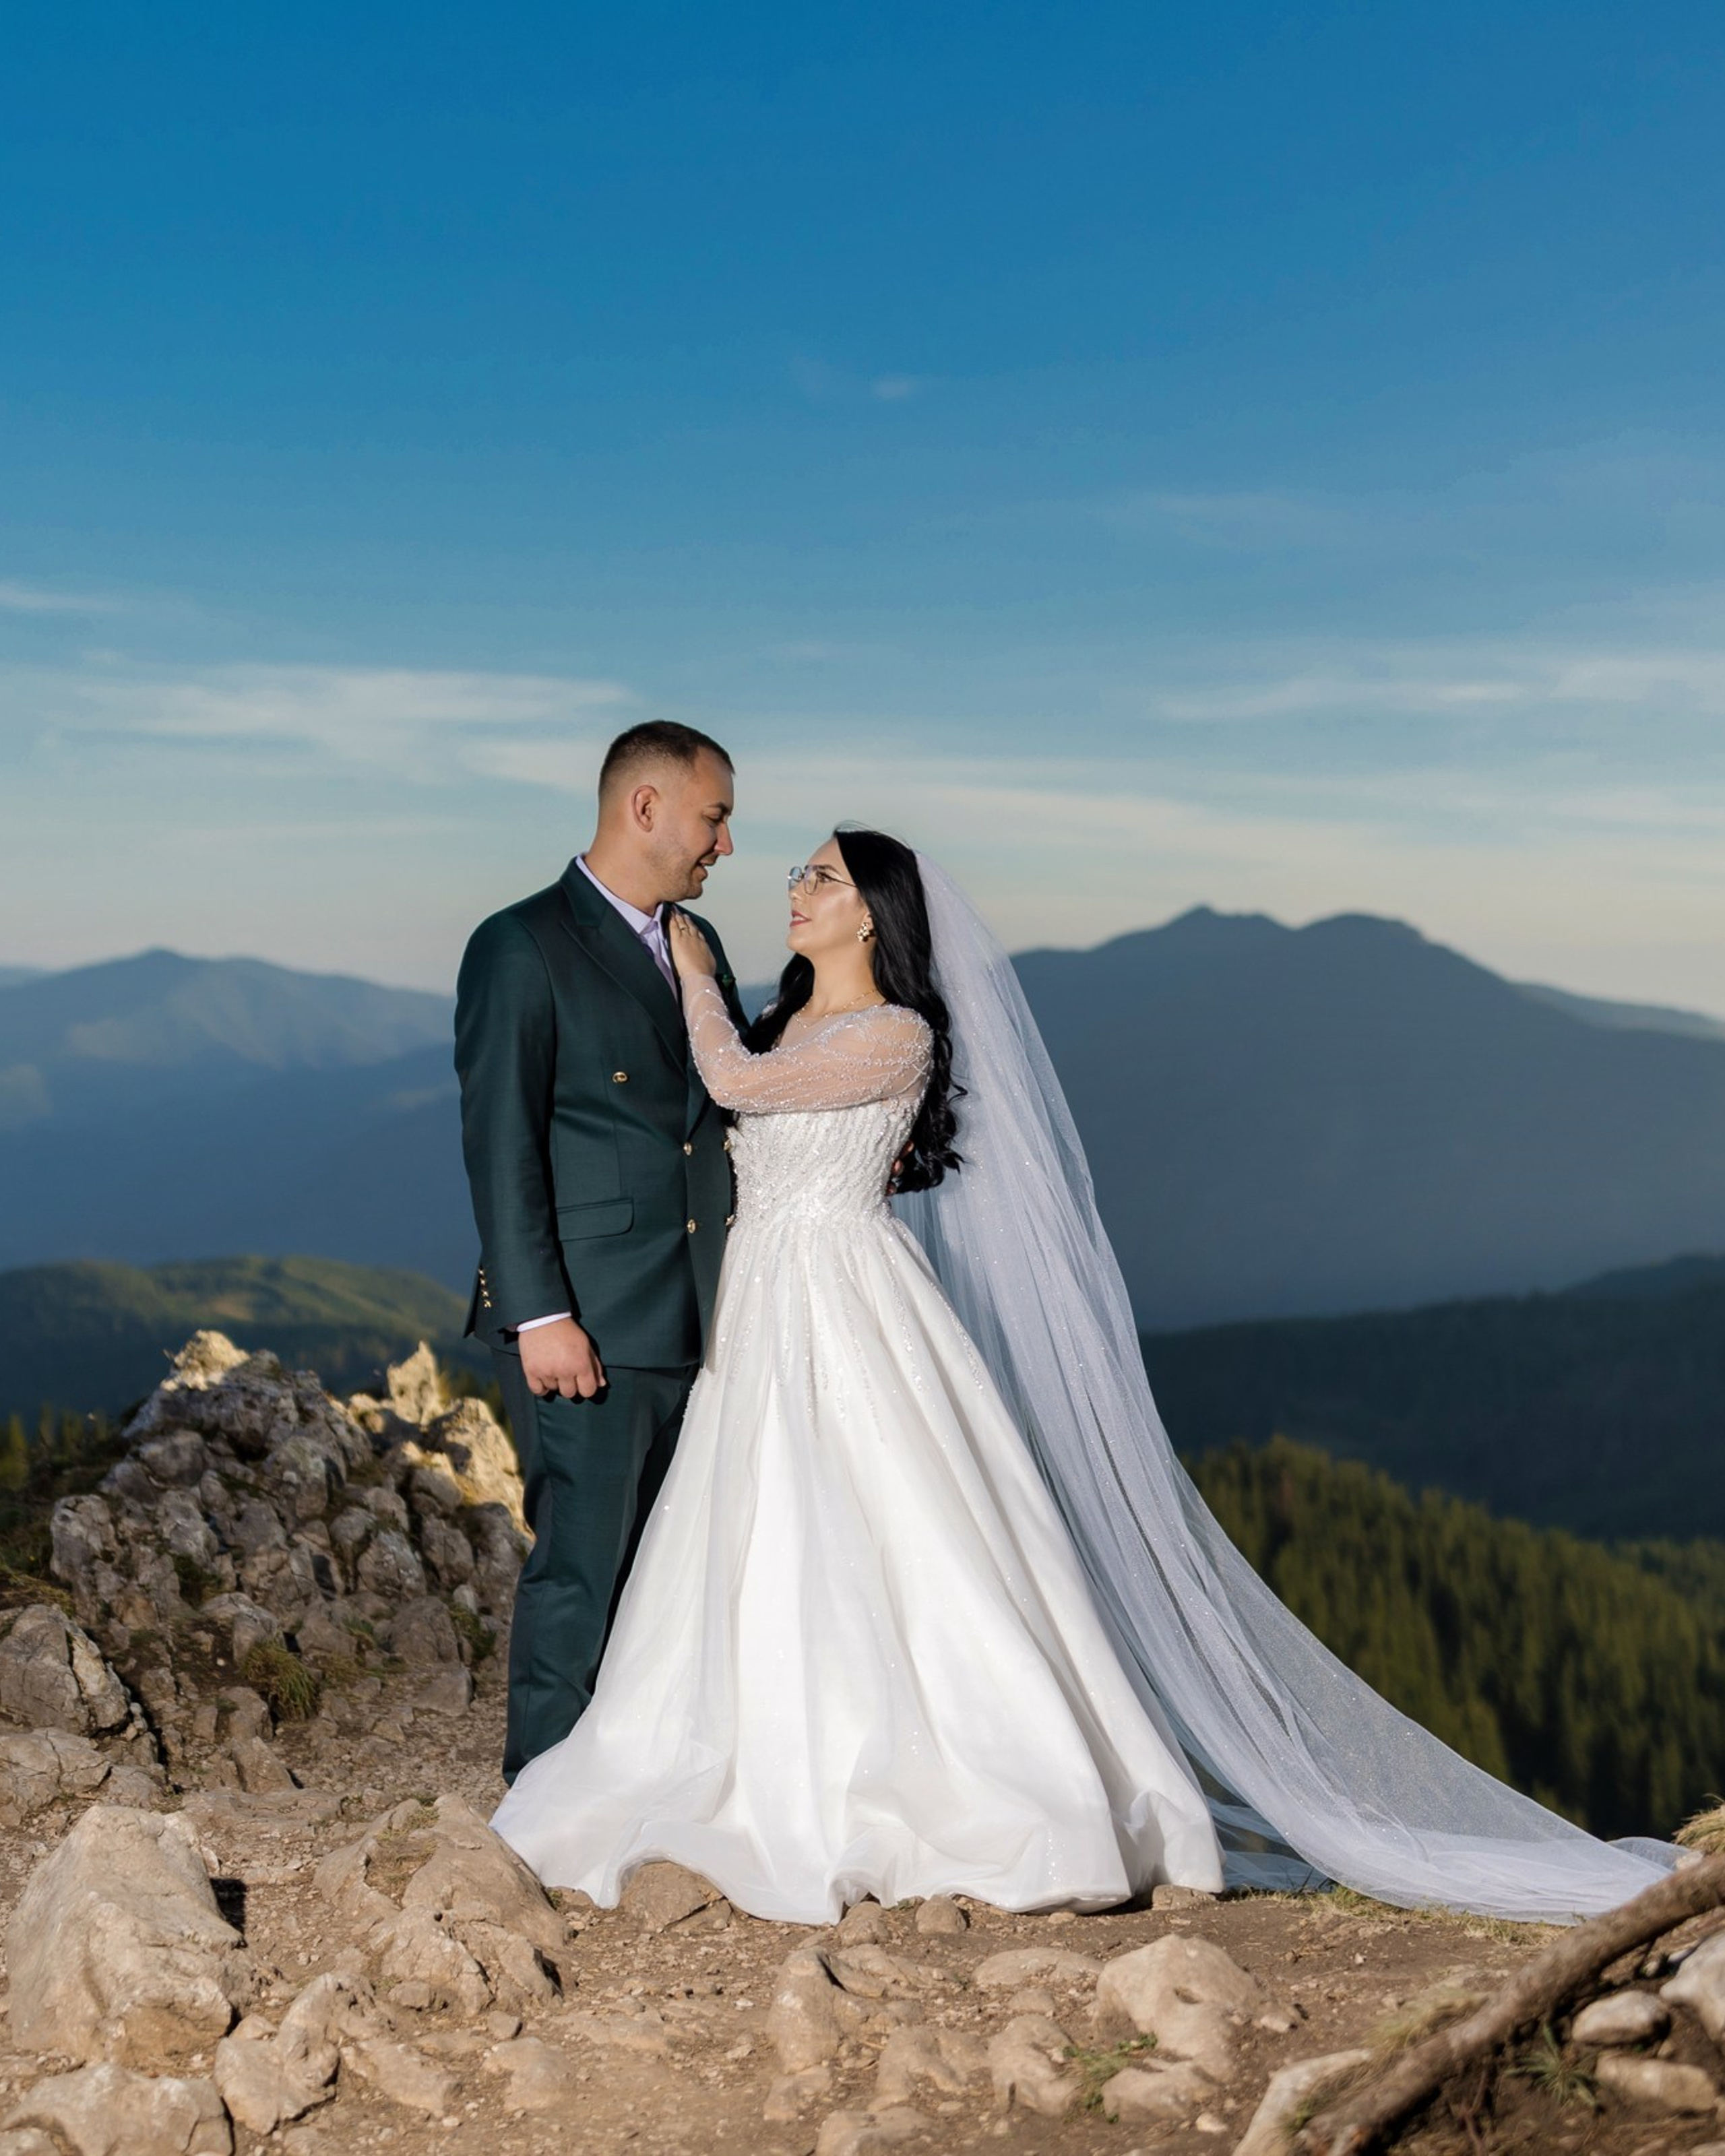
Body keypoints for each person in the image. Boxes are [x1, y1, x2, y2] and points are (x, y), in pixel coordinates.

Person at [491, 829, 1683, 1925]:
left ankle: (944, 1772)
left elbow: (736, 1090)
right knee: (762, 1525)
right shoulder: (789, 1019)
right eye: (800, 874)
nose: (795, 890)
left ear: (874, 917)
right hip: (762, 1304)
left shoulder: (895, 1034)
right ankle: (741, 1746)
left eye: (823, 878)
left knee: (890, 1523)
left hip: (846, 1302)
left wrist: (690, 970)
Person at [452, 721, 747, 1783]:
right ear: (646, 807)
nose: (724, 845)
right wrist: (539, 1315)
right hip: (583, 1323)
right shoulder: (520, 944)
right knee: (580, 1569)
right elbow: (500, 1145)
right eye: (714, 819)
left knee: (661, 1575)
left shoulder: (692, 947)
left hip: (694, 1314)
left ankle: (628, 1790)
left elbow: (708, 1121)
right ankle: (542, 1800)